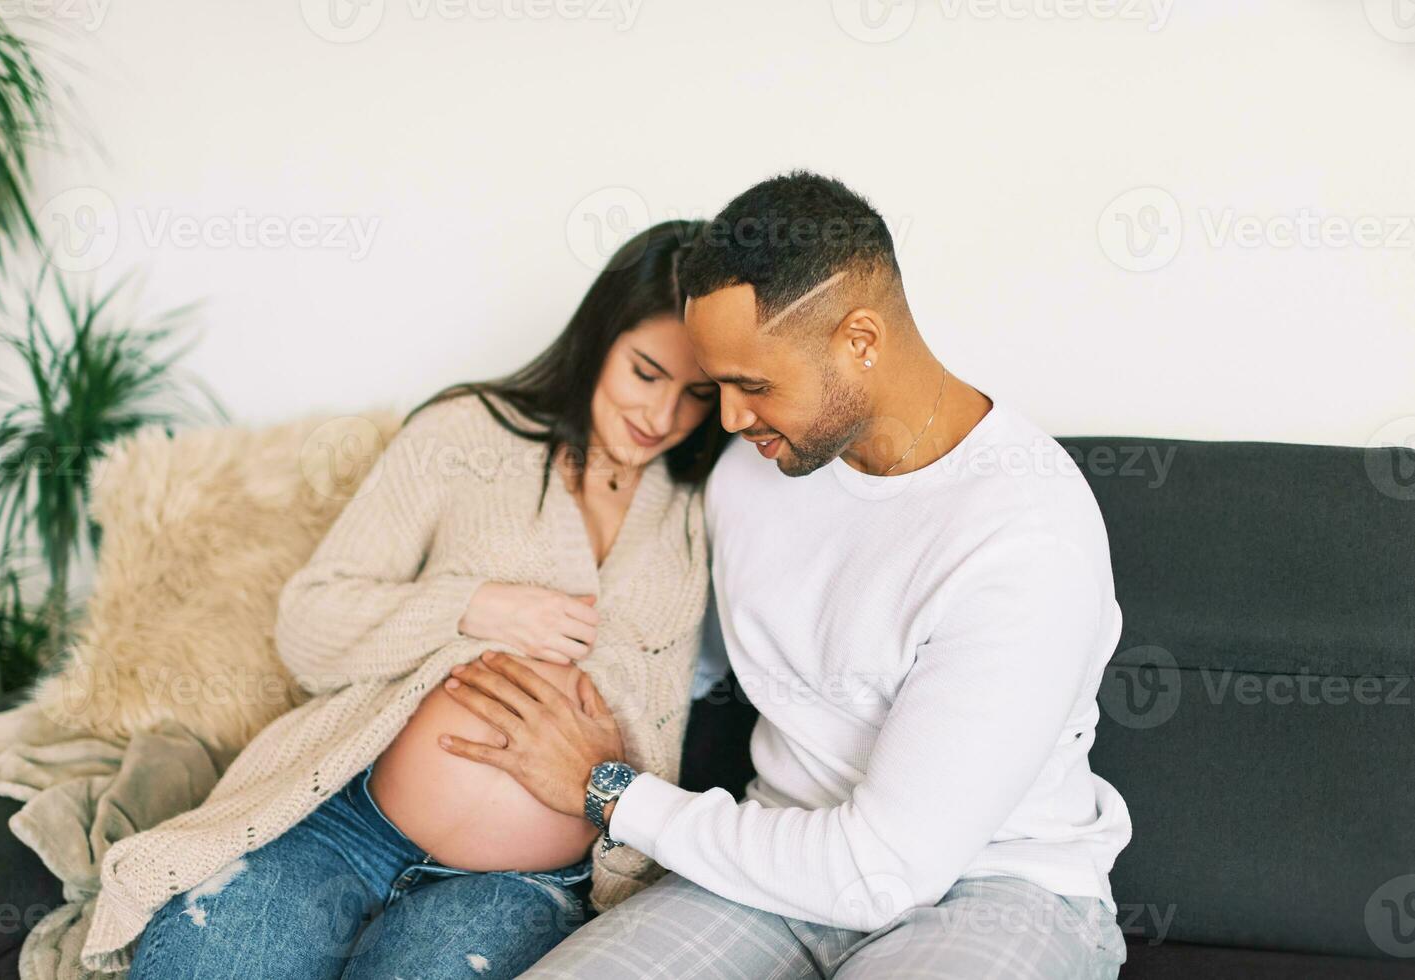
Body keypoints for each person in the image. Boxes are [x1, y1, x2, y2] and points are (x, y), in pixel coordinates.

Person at [437, 172, 1134, 979]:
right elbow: (661, 654)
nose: (727, 419)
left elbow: (880, 871)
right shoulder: (749, 475)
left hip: (997, 885)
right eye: (717, 384)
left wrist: (610, 790)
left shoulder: (1023, 536)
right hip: (766, 864)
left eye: (753, 385)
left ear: (860, 341)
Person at [94, 219, 731, 980]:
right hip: (343, 823)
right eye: (645, 372)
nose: (662, 417)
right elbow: (308, 624)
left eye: (697, 395)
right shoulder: (463, 434)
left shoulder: (700, 506)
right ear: (598, 338)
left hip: (524, 881)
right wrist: (472, 605)